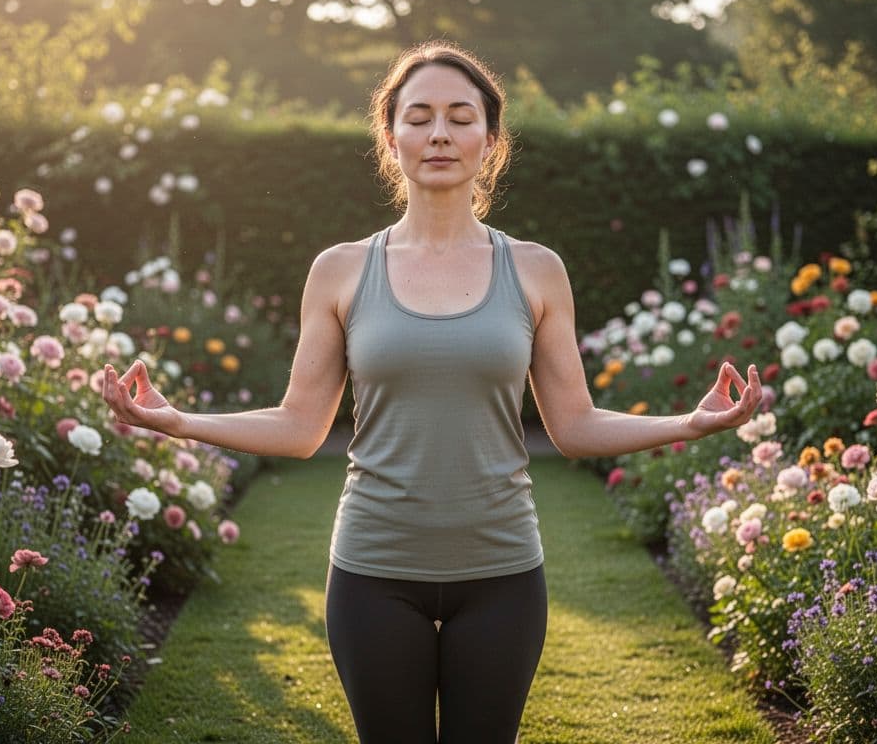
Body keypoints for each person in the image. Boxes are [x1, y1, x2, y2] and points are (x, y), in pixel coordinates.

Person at [100, 40, 762, 744]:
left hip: (503, 572)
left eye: (459, 116)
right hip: (372, 573)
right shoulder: (341, 271)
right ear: (391, 139)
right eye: (419, 117)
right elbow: (300, 425)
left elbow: (573, 425)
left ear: (490, 139)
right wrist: (177, 421)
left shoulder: (537, 271)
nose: (439, 133)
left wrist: (689, 424)